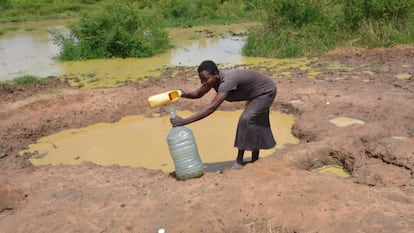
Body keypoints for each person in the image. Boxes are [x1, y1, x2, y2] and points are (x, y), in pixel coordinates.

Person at [170, 60, 277, 169]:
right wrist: (183, 94)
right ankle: (255, 159)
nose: (204, 83)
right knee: (254, 123)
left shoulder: (227, 82)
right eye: (201, 80)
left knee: (246, 120)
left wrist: (184, 121)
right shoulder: (212, 80)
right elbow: (198, 93)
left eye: (206, 79)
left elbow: (212, 107)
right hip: (255, 93)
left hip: (265, 92)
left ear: (216, 75)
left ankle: (239, 161)